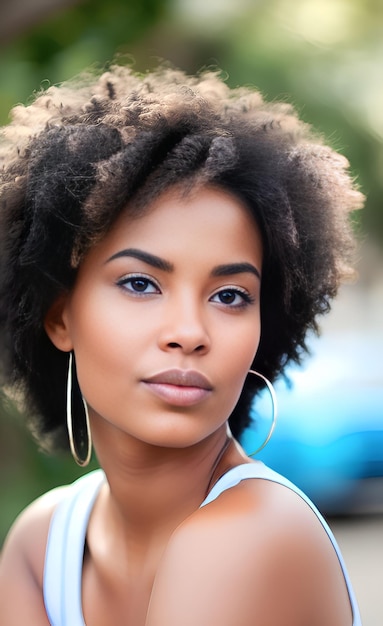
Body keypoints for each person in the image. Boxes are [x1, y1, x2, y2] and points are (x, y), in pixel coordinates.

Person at [0, 63, 364, 626]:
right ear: (58, 317)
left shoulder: (251, 534)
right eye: (141, 284)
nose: (190, 333)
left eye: (230, 296)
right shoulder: (43, 545)